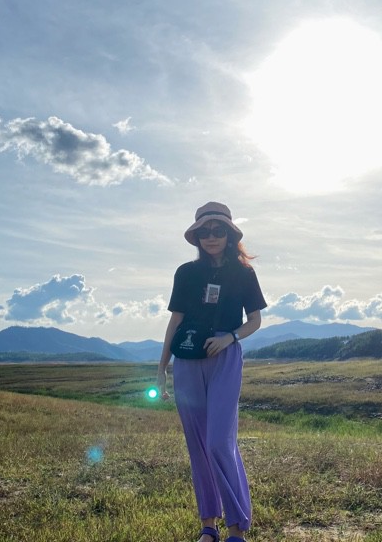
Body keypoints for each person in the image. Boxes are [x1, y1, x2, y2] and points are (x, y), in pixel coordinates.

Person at [157, 202, 267, 542]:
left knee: (219, 441)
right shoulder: (186, 273)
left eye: (218, 230)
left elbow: (255, 320)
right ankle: (209, 525)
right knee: (198, 445)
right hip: (187, 360)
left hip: (225, 358)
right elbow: (175, 320)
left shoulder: (244, 273)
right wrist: (161, 366)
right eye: (204, 231)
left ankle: (237, 528)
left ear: (230, 234)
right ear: (197, 237)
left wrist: (229, 337)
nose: (211, 237)